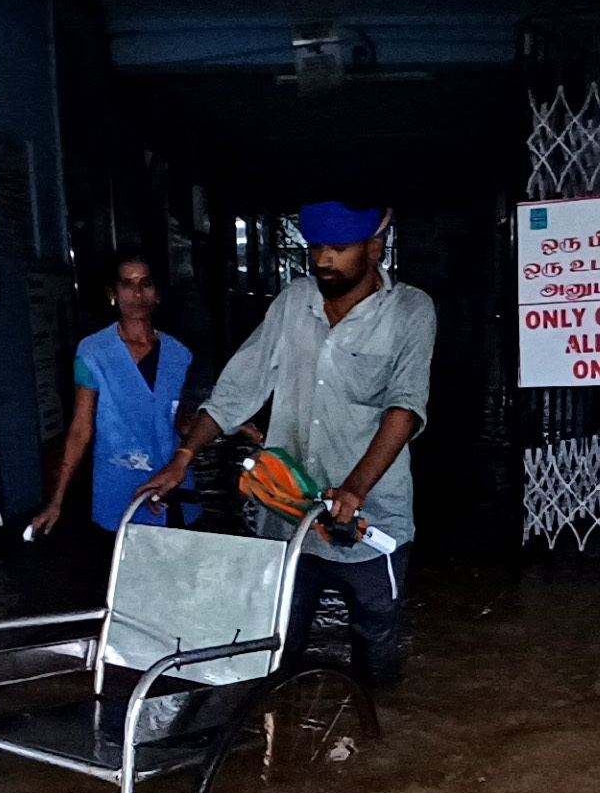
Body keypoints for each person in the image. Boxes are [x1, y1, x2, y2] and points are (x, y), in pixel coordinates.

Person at [130, 200, 434, 686]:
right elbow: (236, 391)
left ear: (374, 248)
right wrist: (183, 457)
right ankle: (275, 744)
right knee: (272, 645)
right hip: (287, 513)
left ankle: (381, 748)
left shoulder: (411, 311)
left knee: (376, 644)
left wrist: (352, 489)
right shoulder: (294, 303)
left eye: (338, 248)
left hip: (371, 519)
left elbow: (404, 409)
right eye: (316, 248)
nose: (323, 260)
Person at [33, 256, 198, 535]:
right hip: (121, 488)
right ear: (113, 293)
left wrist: (228, 420)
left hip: (173, 488)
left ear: (156, 293)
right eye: (127, 284)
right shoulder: (93, 353)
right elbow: (80, 429)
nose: (137, 293)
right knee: (124, 571)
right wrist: (56, 501)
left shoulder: (178, 354)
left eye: (145, 284)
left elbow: (180, 423)